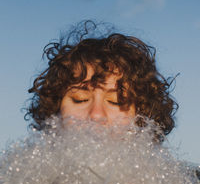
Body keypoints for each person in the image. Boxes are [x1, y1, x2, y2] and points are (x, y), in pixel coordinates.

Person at [25, 20, 177, 142]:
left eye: (116, 101)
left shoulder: (172, 180)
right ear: (54, 112)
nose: (96, 115)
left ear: (143, 118)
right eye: (80, 99)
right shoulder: (18, 178)